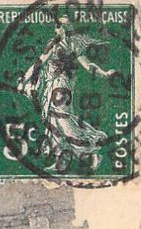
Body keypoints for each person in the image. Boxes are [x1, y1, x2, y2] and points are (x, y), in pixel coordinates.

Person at [17, 14, 119, 169]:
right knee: (53, 122)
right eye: (58, 26)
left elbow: (88, 65)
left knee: (63, 120)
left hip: (62, 87)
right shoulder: (53, 44)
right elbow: (39, 63)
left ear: (66, 28)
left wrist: (104, 74)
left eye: (62, 26)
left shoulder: (73, 45)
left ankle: (90, 151)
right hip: (50, 87)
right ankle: (61, 158)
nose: (59, 29)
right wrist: (25, 79)